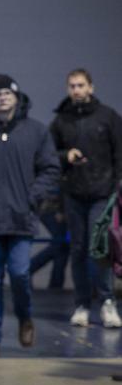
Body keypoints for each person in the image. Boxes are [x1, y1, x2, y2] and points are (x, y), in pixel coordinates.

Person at [0, 74, 60, 359]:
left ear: (17, 98)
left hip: (22, 218)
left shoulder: (36, 131)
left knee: (20, 274)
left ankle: (24, 317)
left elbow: (51, 169)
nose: (3, 98)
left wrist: (33, 197)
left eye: (8, 93)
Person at [50, 68, 122, 328]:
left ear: (91, 87)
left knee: (99, 248)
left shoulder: (108, 117)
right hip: (73, 194)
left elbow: (119, 155)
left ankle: (106, 302)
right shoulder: (61, 120)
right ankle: (82, 304)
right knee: (78, 249)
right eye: (72, 86)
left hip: (103, 194)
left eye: (81, 85)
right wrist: (65, 155)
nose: (76, 90)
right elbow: (49, 154)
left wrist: (116, 189)